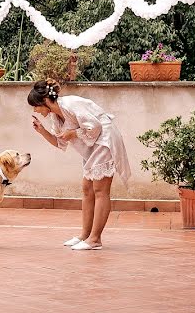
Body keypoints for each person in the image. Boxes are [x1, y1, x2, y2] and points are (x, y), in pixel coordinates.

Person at [28, 79, 131, 250]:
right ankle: (85, 235)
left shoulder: (70, 104)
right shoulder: (56, 115)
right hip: (91, 145)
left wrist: (73, 133)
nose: (35, 111)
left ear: (45, 101)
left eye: (36, 106)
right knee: (87, 189)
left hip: (103, 140)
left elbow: (95, 127)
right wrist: (42, 130)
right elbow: (59, 142)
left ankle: (95, 239)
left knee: (100, 190)